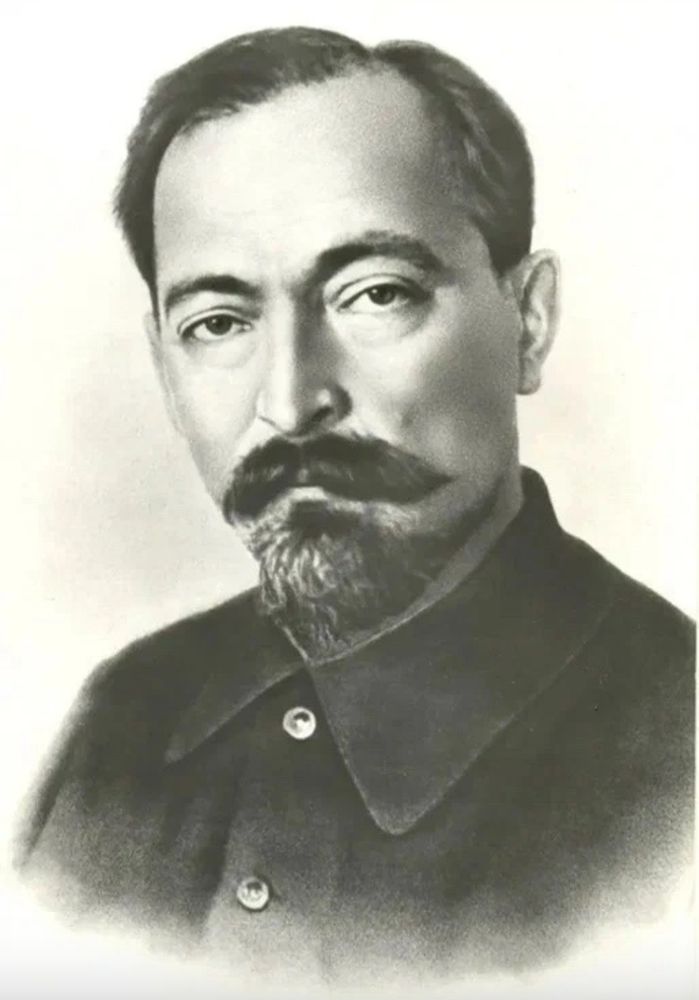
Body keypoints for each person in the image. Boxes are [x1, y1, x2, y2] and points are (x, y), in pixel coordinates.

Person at [17, 26, 694, 987]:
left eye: (374, 295)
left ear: (529, 322)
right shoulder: (119, 722)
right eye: (219, 321)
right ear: (165, 369)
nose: (291, 402)